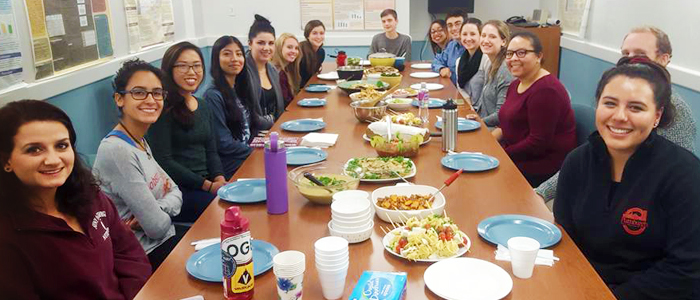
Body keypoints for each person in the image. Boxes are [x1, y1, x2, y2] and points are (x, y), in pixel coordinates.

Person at [554, 57, 700, 299]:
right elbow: (566, 239)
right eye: (610, 103)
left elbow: (687, 271)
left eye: (636, 107)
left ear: (657, 116)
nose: (620, 116)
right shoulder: (577, 162)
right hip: (584, 285)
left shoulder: (685, 175)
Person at [0, 100, 151, 299]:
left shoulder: (90, 196)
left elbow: (129, 253)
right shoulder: (8, 236)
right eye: (34, 149)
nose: (53, 159)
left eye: (61, 145)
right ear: (6, 161)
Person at [535, 26, 697, 203]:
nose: (631, 60)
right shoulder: (582, 156)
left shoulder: (677, 111)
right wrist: (542, 192)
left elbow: (681, 177)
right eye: (625, 54)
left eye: (640, 54)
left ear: (664, 59)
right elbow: (589, 159)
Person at [93, 59, 185, 271]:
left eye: (157, 93)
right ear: (119, 99)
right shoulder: (117, 150)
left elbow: (176, 191)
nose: (151, 100)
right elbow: (156, 228)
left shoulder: (139, 140)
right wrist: (160, 211)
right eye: (139, 92)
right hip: (144, 256)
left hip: (166, 241)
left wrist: (159, 207)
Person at [147, 41, 226, 223]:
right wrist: (208, 186)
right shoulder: (163, 108)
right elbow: (164, 161)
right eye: (183, 66)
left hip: (208, 183)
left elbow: (211, 150)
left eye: (197, 65)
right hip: (178, 191)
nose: (191, 72)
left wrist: (220, 179)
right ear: (169, 69)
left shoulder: (203, 105)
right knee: (226, 210)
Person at [491, 32, 576, 187]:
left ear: (538, 56)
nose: (514, 58)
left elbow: (538, 143)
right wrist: (489, 141)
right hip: (515, 154)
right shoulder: (516, 84)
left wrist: (500, 154)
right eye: (509, 54)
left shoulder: (546, 90)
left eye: (521, 52)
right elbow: (508, 123)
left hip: (537, 166)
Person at [205, 36, 261, 178]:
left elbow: (252, 125)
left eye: (239, 54)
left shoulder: (239, 88)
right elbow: (223, 143)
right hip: (231, 164)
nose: (234, 59)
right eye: (227, 54)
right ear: (216, 59)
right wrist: (255, 152)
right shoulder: (213, 95)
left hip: (246, 155)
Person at [470, 20, 512, 127]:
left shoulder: (505, 70)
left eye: (492, 37)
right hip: (485, 124)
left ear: (504, 42)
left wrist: (478, 122)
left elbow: (501, 115)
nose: (485, 40)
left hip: (496, 130)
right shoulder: (489, 63)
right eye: (483, 36)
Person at [245, 14, 285, 123]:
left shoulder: (273, 70)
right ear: (250, 44)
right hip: (253, 133)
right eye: (260, 43)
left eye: (271, 43)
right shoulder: (242, 72)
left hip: (274, 129)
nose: (266, 48)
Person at [455, 18, 487, 102]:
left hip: (483, 111)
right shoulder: (459, 61)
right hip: (467, 107)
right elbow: (460, 88)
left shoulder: (486, 59)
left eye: (473, 34)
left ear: (481, 36)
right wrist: (467, 101)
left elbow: (489, 93)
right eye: (464, 34)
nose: (468, 38)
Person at [431, 9, 466, 84]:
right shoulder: (451, 46)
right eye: (450, 25)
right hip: (453, 90)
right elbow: (437, 61)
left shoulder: (472, 47)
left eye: (457, 24)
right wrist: (441, 68)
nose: (453, 28)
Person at [272, 33, 302, 105]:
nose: (294, 51)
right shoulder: (276, 72)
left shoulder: (288, 68)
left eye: (296, 48)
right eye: (289, 47)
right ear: (279, 48)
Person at [299, 20, 326, 88]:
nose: (319, 37)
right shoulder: (300, 51)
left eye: (321, 33)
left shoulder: (321, 52)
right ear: (307, 35)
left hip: (310, 86)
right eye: (314, 33)